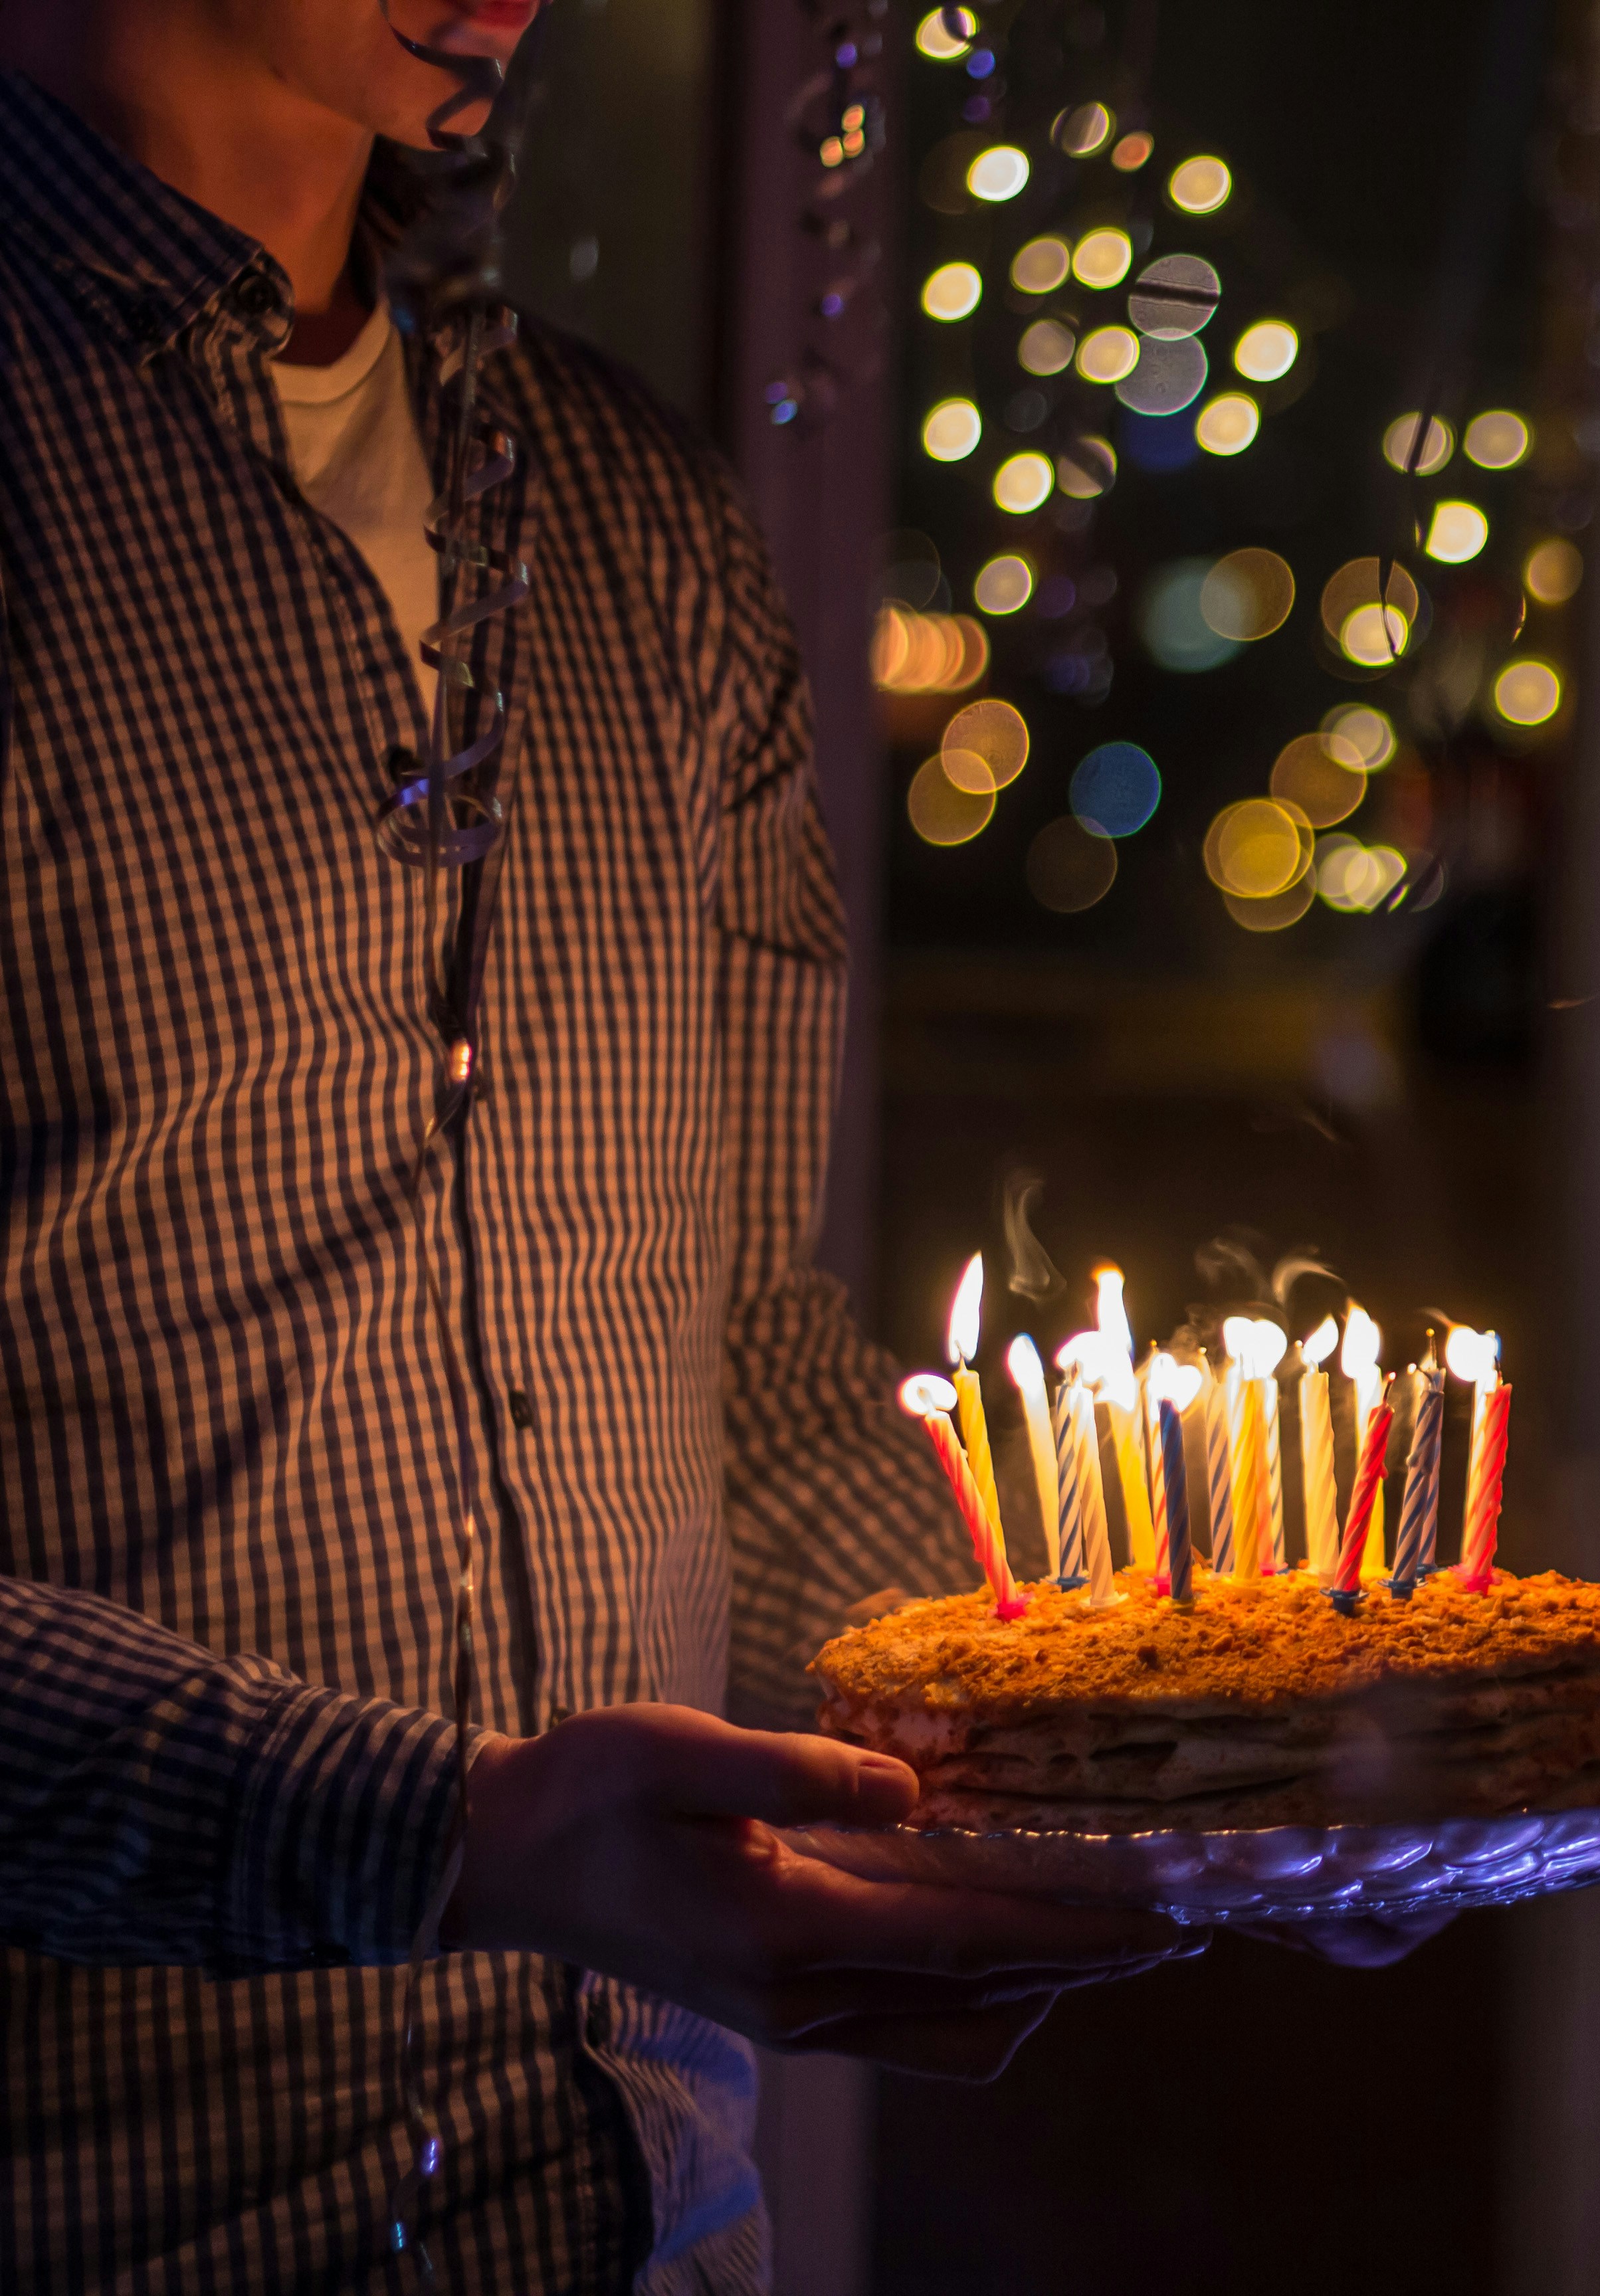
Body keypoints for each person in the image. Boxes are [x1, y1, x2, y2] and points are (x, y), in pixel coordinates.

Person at [0, 5, 1203, 2287]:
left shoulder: (623, 514)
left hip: (646, 2216)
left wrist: (1136, 1747)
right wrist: (445, 1839)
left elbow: (731, 1360)